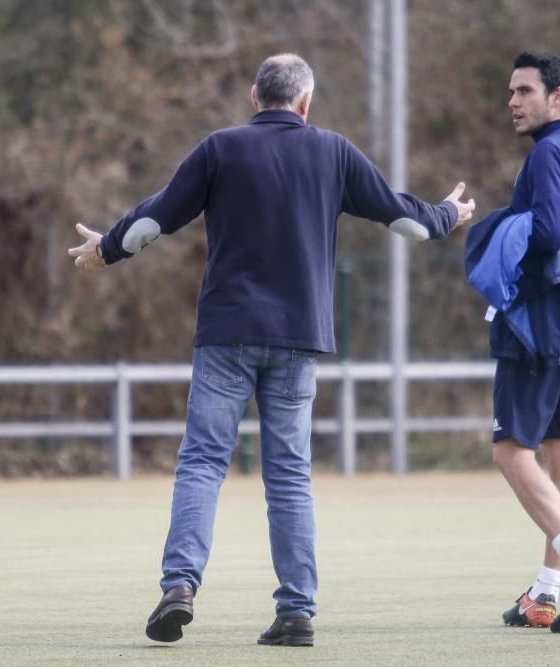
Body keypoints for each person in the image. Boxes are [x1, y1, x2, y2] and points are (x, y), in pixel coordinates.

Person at [68, 53, 474, 647]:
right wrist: (447, 214)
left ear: (255, 97)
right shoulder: (333, 151)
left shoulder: (220, 148)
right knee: (289, 475)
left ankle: (180, 586)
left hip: (226, 334)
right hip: (299, 337)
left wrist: (106, 247)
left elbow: (155, 220)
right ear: (304, 103)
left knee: (204, 460)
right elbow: (403, 221)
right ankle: (296, 613)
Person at [470, 51, 560, 634]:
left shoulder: (549, 152)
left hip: (543, 326)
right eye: (511, 91)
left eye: (524, 90)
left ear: (557, 96)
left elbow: (550, 232)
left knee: (510, 451)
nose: (512, 101)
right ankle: (547, 592)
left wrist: (504, 250)